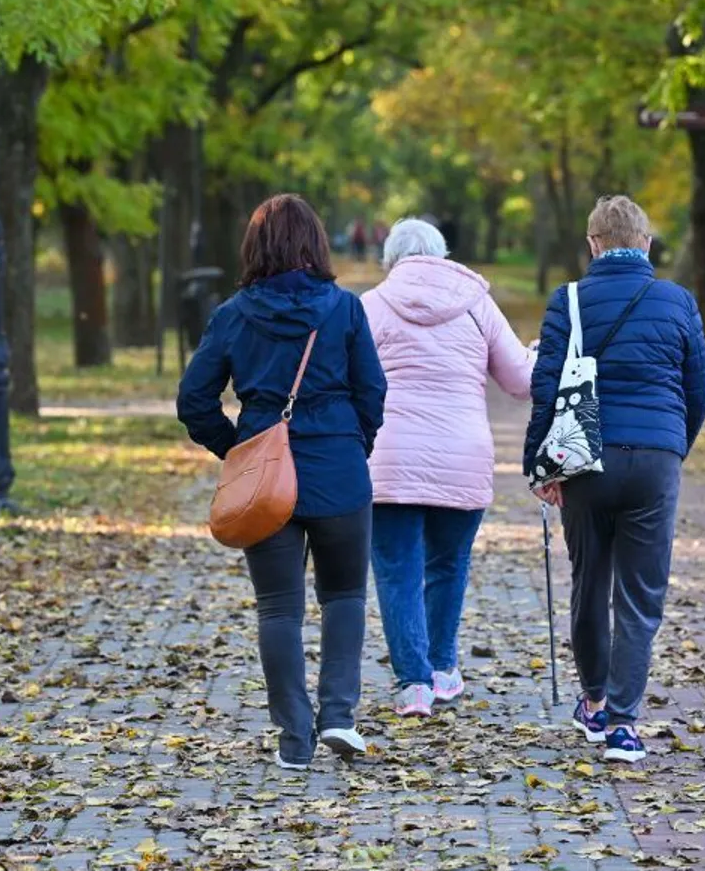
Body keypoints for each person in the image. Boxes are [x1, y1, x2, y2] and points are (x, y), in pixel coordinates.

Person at [177, 194, 388, 771]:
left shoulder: (233, 314)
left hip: (263, 480)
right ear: (316, 244)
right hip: (338, 469)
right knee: (344, 596)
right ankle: (339, 717)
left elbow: (193, 400)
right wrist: (354, 443)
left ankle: (294, 739)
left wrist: (238, 449)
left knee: (278, 608)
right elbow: (373, 392)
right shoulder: (344, 310)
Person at [523, 194, 705, 763]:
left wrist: (540, 466)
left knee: (590, 582)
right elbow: (699, 387)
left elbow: (545, 389)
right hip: (655, 458)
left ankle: (595, 702)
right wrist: (674, 446)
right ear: (645, 243)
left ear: (593, 245)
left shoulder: (569, 301)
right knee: (640, 592)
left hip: (587, 458)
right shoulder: (677, 301)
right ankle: (625, 726)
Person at [361, 219, 533, 716]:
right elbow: (520, 381)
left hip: (389, 457)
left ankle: (413, 684)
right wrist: (541, 354)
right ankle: (442, 668)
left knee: (396, 571)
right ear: (442, 255)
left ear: (390, 260)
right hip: (463, 455)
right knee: (448, 563)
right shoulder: (477, 303)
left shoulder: (370, 306)